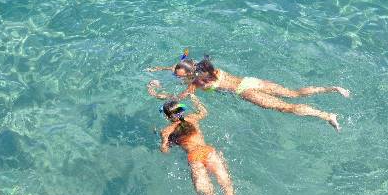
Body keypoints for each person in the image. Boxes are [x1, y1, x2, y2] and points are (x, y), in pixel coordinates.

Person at [147, 54, 350, 131]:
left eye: (179, 75)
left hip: (246, 91)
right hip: (250, 80)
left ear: (189, 74)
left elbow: (178, 101)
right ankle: (333, 88)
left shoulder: (197, 84)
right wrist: (161, 69)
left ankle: (326, 116)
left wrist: (156, 93)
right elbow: (180, 65)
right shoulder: (205, 68)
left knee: (286, 108)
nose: (177, 76)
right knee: (294, 93)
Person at [149, 82, 241, 195]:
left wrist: (160, 137)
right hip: (208, 150)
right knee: (225, 181)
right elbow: (204, 111)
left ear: (168, 117)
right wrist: (194, 98)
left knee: (205, 192)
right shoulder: (192, 118)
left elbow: (165, 151)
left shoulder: (167, 130)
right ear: (182, 111)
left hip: (194, 156)